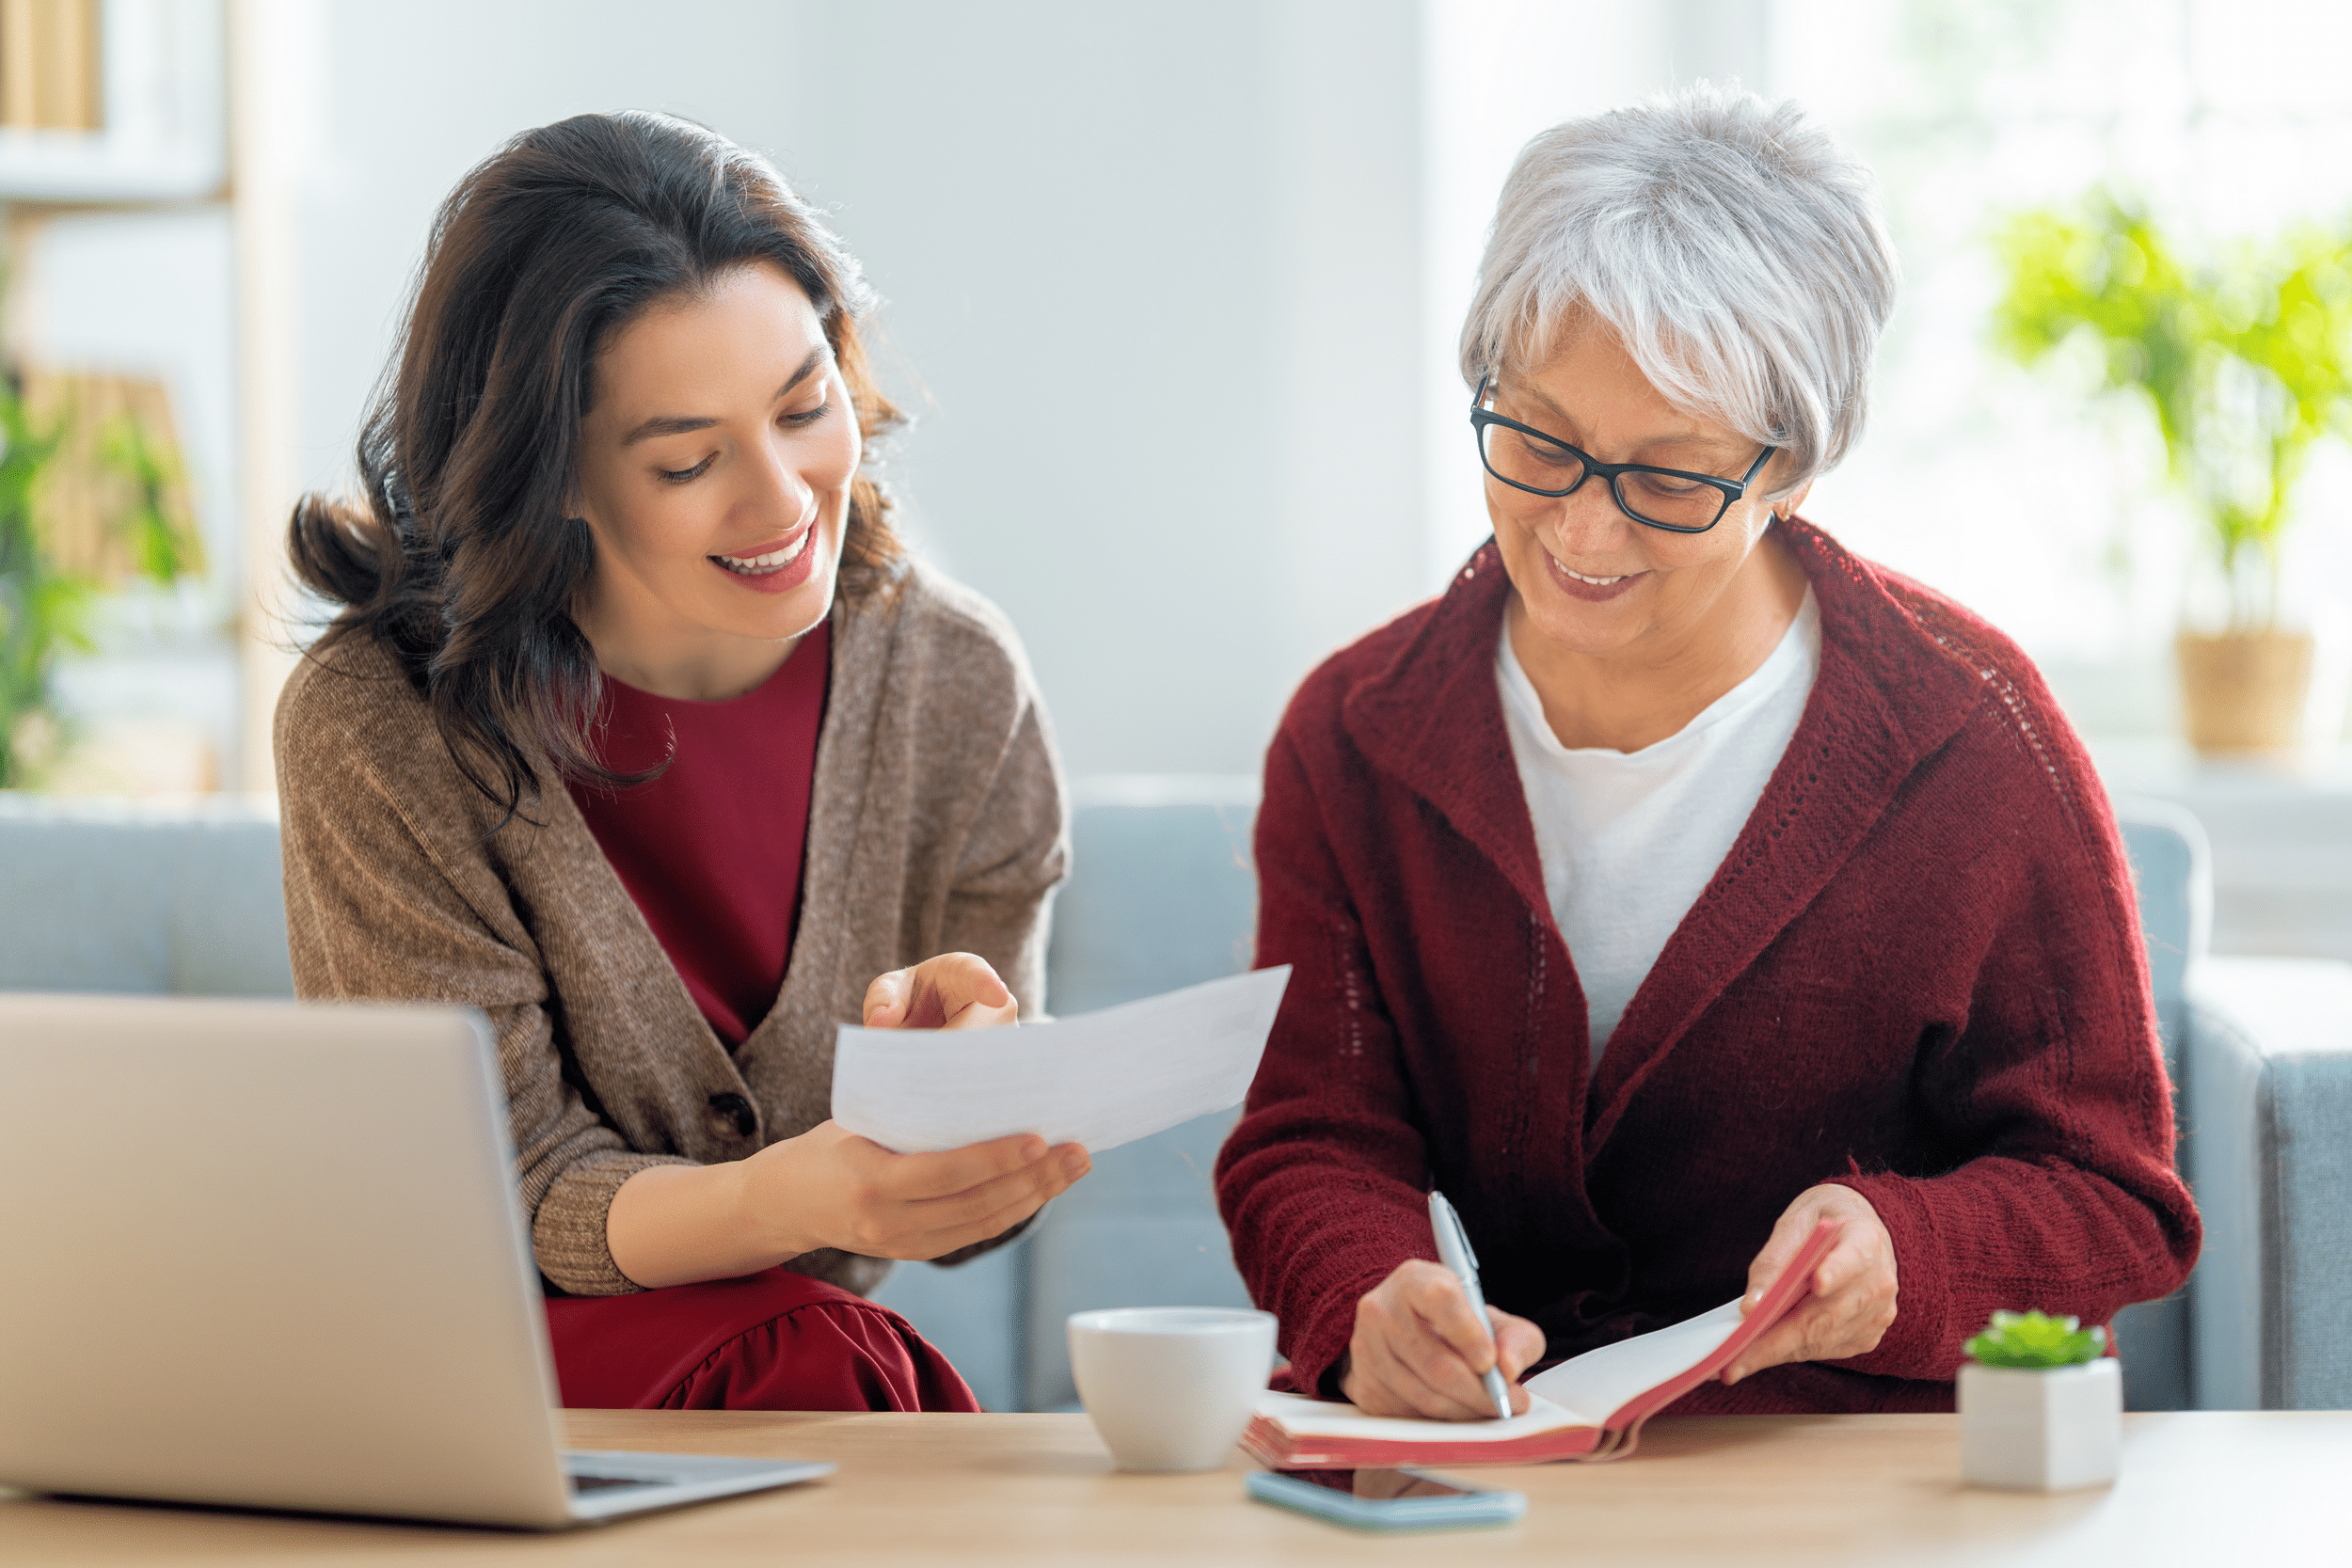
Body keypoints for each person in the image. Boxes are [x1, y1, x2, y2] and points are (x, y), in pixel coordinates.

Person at [1215, 85, 2200, 1419]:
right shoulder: (1355, 733)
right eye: (1538, 441)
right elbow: (1309, 1135)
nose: (1583, 531)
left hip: (1844, 1480)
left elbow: (2110, 1194)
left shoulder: (1974, 740)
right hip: (1469, 1478)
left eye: (1668, 479)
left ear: (1794, 466)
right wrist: (1369, 1295)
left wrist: (1901, 1254)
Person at [277, 111, 1087, 1413]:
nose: (781, 498)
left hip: (788, 1363)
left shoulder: (959, 686)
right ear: (553, 478)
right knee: (821, 1359)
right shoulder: (381, 723)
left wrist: (968, 1118)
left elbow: (966, 1214)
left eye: (806, 406)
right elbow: (507, 1184)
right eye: (689, 458)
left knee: (819, 1355)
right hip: (473, 1369)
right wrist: (792, 1194)